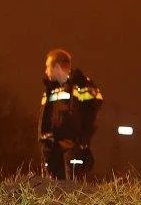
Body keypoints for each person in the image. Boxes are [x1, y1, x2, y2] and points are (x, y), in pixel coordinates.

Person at [38, 48, 103, 180]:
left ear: (56, 67)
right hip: (53, 150)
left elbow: (92, 117)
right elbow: (45, 119)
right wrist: (45, 142)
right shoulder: (50, 89)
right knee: (55, 189)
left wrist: (80, 142)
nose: (46, 71)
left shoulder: (82, 85)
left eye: (47, 67)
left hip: (74, 151)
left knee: (74, 189)